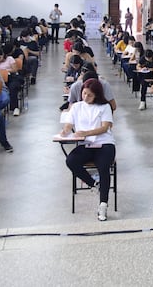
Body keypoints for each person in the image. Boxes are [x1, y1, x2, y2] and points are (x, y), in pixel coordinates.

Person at [62, 79, 116, 221]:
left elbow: (105, 128)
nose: (86, 97)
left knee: (103, 167)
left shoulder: (104, 107)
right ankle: (94, 184)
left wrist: (86, 133)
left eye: (90, 95)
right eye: (84, 94)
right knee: (70, 160)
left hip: (104, 143)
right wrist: (65, 131)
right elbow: (69, 123)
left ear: (97, 95)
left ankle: (103, 204)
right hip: (86, 145)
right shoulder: (77, 107)